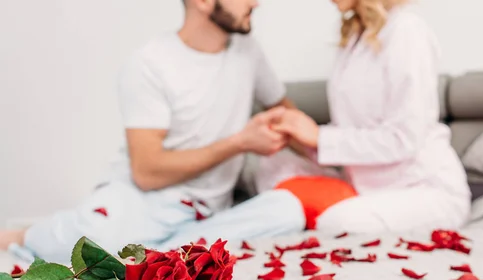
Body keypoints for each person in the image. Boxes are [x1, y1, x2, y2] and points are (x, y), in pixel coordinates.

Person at [0, 0, 305, 265]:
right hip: (147, 200)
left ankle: (155, 252)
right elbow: (147, 172)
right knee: (93, 243)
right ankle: (22, 235)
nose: (256, 3)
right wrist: (240, 143)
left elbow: (288, 115)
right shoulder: (151, 63)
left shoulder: (247, 51)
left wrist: (337, 157)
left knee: (289, 210)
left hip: (211, 209)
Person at [256, 0, 471, 233]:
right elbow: (355, 130)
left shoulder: (406, 31)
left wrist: (320, 137)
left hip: (421, 187)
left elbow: (405, 139)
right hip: (368, 184)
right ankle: (345, 204)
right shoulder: (356, 36)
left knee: (338, 223)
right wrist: (299, 136)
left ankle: (340, 210)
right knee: (270, 166)